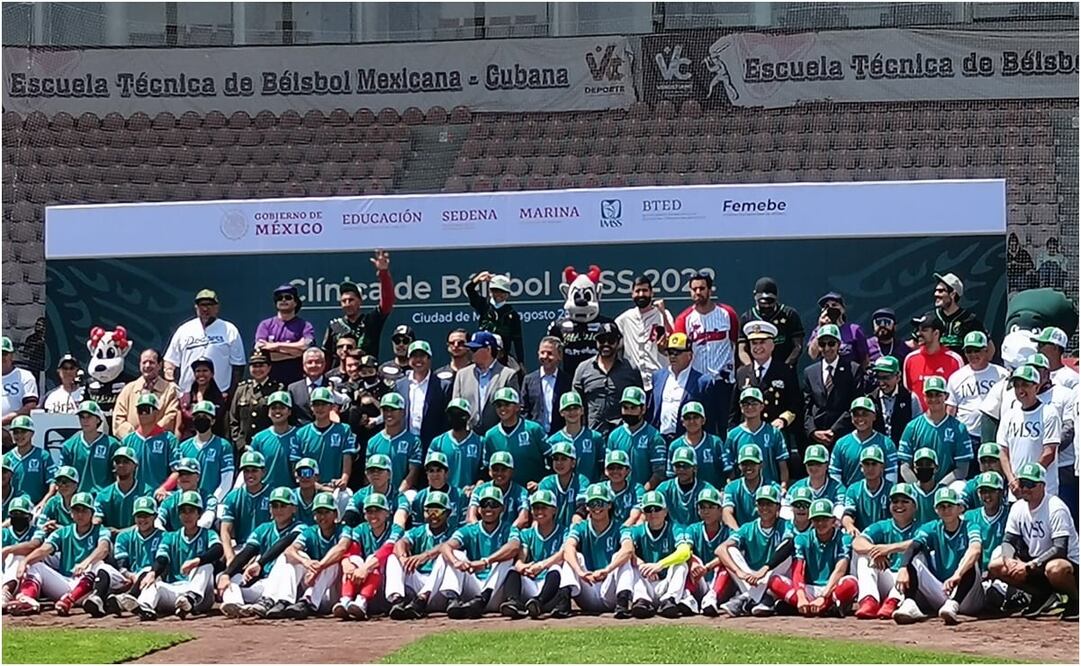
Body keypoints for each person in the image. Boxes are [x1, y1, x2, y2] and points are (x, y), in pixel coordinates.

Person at [4, 492, 122, 617]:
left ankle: (70, 600)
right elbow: (44, 549)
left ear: (92, 513)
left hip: (87, 586)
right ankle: (27, 600)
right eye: (76, 510)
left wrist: (86, 562)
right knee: (35, 566)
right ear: (71, 513)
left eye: (84, 510)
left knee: (98, 564)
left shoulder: (101, 530)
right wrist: (25, 561)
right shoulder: (63, 532)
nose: (80, 514)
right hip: (65, 582)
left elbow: (103, 549)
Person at [990, 462, 1078, 622]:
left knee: (1055, 569)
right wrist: (1009, 560)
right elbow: (1008, 540)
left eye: (1030, 484)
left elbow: (1060, 549)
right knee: (996, 566)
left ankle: (1076, 600)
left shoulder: (1055, 507)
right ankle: (1043, 595)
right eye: (1022, 483)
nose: (1025, 488)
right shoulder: (1018, 508)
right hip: (1037, 563)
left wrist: (1030, 565)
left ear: (1042, 485)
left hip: (1068, 565)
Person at [892, 488, 985, 625]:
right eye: (942, 506)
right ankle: (910, 603)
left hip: (969, 597)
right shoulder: (932, 527)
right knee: (916, 558)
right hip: (943, 592)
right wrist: (903, 567)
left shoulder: (970, 525)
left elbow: (975, 550)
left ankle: (954, 604)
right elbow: (914, 545)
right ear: (936, 510)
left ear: (959, 508)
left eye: (950, 506)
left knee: (971, 561)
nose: (946, 510)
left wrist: (957, 575)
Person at [128, 490, 221, 620]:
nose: (187, 515)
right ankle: (145, 607)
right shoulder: (171, 537)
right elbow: (162, 559)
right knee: (155, 584)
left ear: (199, 514)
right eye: (183, 511)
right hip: (176, 591)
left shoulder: (208, 534)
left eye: (191, 511)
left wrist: (197, 561)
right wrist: (153, 573)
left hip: (202, 596)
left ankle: (191, 598)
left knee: (206, 566)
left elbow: (218, 550)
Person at [217, 486, 303, 618]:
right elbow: (247, 552)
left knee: (287, 558)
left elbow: (283, 544)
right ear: (269, 508)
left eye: (283, 505)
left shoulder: (301, 527)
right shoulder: (263, 528)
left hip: (286, 585)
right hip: (264, 583)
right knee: (227, 579)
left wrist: (260, 563)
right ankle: (236, 606)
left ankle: (268, 603)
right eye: (274, 505)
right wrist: (227, 574)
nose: (278, 510)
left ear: (294, 508)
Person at [673, 273, 739, 437]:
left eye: (702, 288)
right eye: (694, 289)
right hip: (699, 384)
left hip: (724, 382)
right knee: (701, 430)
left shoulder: (727, 313)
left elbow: (736, 344)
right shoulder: (684, 319)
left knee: (727, 430)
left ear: (710, 290)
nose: (698, 292)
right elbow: (679, 353)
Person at [439, 485, 519, 619]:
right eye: (484, 504)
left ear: (502, 508)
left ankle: (482, 599)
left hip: (495, 592)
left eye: (493, 504)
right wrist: (456, 562)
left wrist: (486, 561)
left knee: (507, 558)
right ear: (479, 509)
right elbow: (446, 546)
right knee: (456, 554)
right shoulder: (471, 529)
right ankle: (452, 600)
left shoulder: (509, 528)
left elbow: (514, 546)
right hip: (473, 587)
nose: (488, 508)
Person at [770, 499, 858, 618]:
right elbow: (798, 570)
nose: (820, 523)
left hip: (831, 589)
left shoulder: (844, 538)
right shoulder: (802, 539)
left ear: (833, 520)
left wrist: (823, 597)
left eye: (824, 519)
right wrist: (801, 597)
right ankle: (816, 607)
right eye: (817, 519)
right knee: (774, 581)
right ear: (811, 521)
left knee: (851, 583)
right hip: (809, 588)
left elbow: (840, 570)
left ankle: (811, 607)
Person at [559, 483, 636, 617]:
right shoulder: (580, 527)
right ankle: (563, 603)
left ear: (609, 504)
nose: (596, 508)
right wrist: (581, 572)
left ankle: (622, 603)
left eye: (600, 503)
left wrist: (607, 570)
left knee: (621, 557)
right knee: (574, 556)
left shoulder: (620, 527)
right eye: (592, 504)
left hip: (609, 590)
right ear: (587, 507)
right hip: (588, 585)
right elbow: (568, 547)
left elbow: (628, 549)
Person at [714, 484, 792, 616]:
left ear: (778, 507)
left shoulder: (786, 524)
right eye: (761, 504)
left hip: (773, 574)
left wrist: (764, 570)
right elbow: (720, 549)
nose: (765, 508)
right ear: (756, 506)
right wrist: (739, 573)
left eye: (769, 504)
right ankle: (762, 599)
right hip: (751, 577)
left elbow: (789, 545)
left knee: (787, 553)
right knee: (731, 550)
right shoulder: (748, 527)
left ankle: (746, 598)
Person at [618, 490, 694, 618]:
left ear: (665, 511)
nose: (653, 514)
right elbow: (625, 549)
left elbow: (685, 552)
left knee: (681, 564)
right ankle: (641, 601)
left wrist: (659, 565)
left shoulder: (675, 528)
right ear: (643, 513)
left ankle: (669, 601)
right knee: (628, 562)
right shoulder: (637, 530)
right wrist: (639, 561)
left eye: (657, 509)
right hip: (646, 582)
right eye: (648, 510)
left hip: (666, 584)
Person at [851, 482, 920, 620]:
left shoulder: (921, 527)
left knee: (919, 558)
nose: (899, 505)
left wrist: (887, 548)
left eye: (904, 501)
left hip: (909, 583)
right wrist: (875, 551)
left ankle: (893, 602)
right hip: (886, 576)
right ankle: (869, 600)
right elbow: (857, 542)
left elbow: (917, 544)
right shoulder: (883, 525)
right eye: (895, 501)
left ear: (914, 506)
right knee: (864, 557)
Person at [499, 490, 570, 618]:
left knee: (556, 568)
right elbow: (522, 556)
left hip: (551, 587)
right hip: (532, 580)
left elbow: (563, 553)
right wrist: (521, 566)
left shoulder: (564, 531)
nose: (539, 511)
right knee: (513, 570)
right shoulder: (527, 533)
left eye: (544, 507)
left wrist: (541, 565)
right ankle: (513, 602)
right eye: (536, 508)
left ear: (554, 510)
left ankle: (539, 602)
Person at [386, 490, 455, 620]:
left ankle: (422, 599)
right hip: (419, 582)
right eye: (429, 510)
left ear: (448, 513)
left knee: (445, 556)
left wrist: (425, 555)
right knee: (393, 558)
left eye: (438, 510)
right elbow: (400, 542)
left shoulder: (453, 532)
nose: (433, 515)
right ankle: (397, 600)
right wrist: (403, 558)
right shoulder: (419, 531)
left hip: (439, 589)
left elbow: (445, 547)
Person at [730, 320, 801, 443]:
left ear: (772, 345)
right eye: (753, 343)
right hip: (748, 437)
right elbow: (734, 411)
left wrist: (783, 420)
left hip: (775, 435)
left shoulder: (785, 372)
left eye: (762, 342)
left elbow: (796, 404)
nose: (757, 347)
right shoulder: (742, 373)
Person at [996, 364, 1062, 497]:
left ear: (1036, 387)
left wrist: (1027, 480)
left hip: (1043, 490)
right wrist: (1012, 480)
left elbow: (1049, 452)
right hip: (1016, 491)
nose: (1020, 389)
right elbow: (1003, 452)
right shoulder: (1009, 415)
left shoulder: (1049, 413)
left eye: (1025, 384)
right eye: (1017, 385)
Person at [164, 289, 245, 396]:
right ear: (196, 307)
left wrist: (230, 394)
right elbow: (170, 360)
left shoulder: (229, 329)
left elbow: (238, 366)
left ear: (217, 307)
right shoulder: (184, 330)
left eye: (210, 305)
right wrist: (171, 381)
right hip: (187, 394)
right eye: (202, 305)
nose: (205, 308)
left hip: (219, 394)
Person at [898, 377, 972, 489]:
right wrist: (918, 488)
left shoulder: (959, 428)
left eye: (938, 394)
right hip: (918, 487)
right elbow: (904, 467)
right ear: (924, 397)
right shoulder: (912, 427)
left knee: (960, 486)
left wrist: (940, 486)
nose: (933, 398)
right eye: (930, 395)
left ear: (946, 396)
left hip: (947, 486)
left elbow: (962, 469)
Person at [322, 251, 394, 364]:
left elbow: (387, 301)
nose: (347, 304)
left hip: (366, 373)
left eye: (351, 300)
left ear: (360, 301)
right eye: (343, 301)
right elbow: (327, 356)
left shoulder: (371, 320)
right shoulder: (335, 326)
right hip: (340, 377)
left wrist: (383, 272)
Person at [572, 323, 643, 437]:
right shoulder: (583, 369)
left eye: (611, 340)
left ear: (618, 341)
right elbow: (576, 404)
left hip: (623, 434)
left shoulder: (631, 369)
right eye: (601, 340)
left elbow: (641, 403)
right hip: (592, 434)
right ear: (596, 342)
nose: (606, 344)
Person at [291, 387, 357, 502]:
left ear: (332, 406)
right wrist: (313, 484)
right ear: (311, 407)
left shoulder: (344, 430)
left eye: (324, 404)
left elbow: (347, 455)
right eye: (316, 404)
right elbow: (296, 464)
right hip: (308, 489)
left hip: (334, 489)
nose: (320, 408)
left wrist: (344, 478)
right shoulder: (301, 433)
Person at [947, 331, 1008, 452]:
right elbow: (951, 410)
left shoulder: (1002, 374)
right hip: (966, 435)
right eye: (969, 351)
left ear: (986, 350)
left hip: (994, 434)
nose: (973, 354)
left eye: (977, 350)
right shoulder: (956, 377)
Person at [803, 324, 860, 450]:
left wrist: (834, 430)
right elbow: (807, 407)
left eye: (831, 343)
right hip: (816, 439)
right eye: (822, 344)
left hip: (843, 436)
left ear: (839, 345)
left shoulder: (853, 370)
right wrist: (813, 431)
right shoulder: (810, 372)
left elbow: (854, 404)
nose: (827, 348)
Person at [452, 331, 520, 436]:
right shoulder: (462, 375)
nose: (470, 352)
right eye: (470, 348)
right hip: (470, 437)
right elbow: (457, 408)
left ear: (488, 349)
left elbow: (514, 409)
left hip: (498, 437)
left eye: (475, 349)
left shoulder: (507, 375)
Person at [615, 275, 674, 391]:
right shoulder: (625, 318)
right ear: (632, 294)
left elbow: (672, 338)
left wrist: (663, 314)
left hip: (659, 379)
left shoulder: (662, 314)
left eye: (645, 291)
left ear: (652, 293)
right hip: (634, 381)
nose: (641, 294)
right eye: (637, 291)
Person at [482, 387, 548, 489]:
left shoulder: (533, 429)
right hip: (504, 495)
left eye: (507, 404)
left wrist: (542, 483)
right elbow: (487, 468)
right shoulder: (490, 435)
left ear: (517, 407)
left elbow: (550, 459)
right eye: (499, 405)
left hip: (533, 491)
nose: (502, 408)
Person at [648, 333, 709, 442]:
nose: (672, 356)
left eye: (677, 353)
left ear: (690, 355)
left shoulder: (702, 381)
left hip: (687, 440)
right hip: (659, 438)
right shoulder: (658, 376)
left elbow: (710, 417)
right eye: (670, 353)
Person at [604, 387, 666, 490]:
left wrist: (642, 493)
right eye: (625, 407)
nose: (629, 412)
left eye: (633, 408)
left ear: (643, 409)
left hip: (645, 496)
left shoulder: (654, 436)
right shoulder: (614, 436)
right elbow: (608, 470)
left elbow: (659, 473)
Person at [726, 388, 789, 489]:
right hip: (743, 490)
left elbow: (782, 465)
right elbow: (730, 469)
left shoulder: (773, 432)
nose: (750, 407)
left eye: (754, 403)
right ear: (741, 407)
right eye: (745, 404)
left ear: (762, 406)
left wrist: (783, 487)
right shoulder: (733, 435)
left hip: (770, 490)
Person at [252, 284, 314, 386]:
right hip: (270, 382)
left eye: (288, 297)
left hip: (296, 380)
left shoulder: (305, 325)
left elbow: (306, 346)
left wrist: (276, 346)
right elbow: (262, 350)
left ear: (295, 303)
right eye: (279, 298)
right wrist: (295, 353)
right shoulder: (265, 325)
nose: (283, 300)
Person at [830, 397, 899, 487]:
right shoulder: (841, 444)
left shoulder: (887, 444)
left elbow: (891, 476)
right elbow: (835, 475)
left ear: (874, 416)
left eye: (865, 414)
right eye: (856, 414)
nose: (860, 418)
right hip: (849, 498)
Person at [175, 401, 234, 506]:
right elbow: (180, 478)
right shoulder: (183, 447)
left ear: (213, 421)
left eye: (205, 416)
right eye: (197, 416)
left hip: (213, 502)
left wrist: (214, 501)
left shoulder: (223, 446)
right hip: (188, 504)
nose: (201, 419)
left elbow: (227, 478)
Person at [737, 277, 804, 369]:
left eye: (770, 302)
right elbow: (742, 349)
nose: (766, 306)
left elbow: (798, 346)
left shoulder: (789, 315)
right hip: (757, 370)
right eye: (762, 303)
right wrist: (751, 369)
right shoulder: (747, 318)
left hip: (784, 368)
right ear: (755, 296)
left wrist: (785, 367)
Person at [395, 340, 451, 450]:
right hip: (404, 446)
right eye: (414, 356)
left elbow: (446, 421)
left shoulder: (443, 386)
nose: (418, 360)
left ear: (429, 359)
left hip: (432, 446)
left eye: (422, 356)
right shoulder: (400, 385)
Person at [219, 451, 273, 564]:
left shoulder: (272, 495)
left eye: (254, 470)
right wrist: (230, 557)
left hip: (267, 549)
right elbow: (225, 530)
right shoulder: (233, 496)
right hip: (241, 548)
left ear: (263, 472)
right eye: (246, 471)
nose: (250, 475)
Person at [112, 349, 180, 439]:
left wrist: (151, 434)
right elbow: (118, 418)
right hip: (131, 444)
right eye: (144, 362)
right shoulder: (128, 389)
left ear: (159, 365)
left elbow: (171, 416)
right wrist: (135, 437)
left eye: (151, 362)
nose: (147, 366)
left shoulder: (170, 390)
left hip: (158, 443)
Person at [963, 471, 1009, 603]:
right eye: (983, 491)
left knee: (1000, 550)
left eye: (991, 491)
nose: (987, 496)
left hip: (1002, 573)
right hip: (977, 574)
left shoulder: (1009, 513)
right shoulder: (969, 516)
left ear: (1000, 492)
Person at [903, 313, 964, 411]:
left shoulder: (955, 360)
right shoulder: (910, 359)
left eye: (924, 330)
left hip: (946, 421)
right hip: (918, 422)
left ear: (936, 333)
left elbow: (960, 395)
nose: (918, 333)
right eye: (918, 329)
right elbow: (908, 394)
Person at [228, 350, 285, 454]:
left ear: (269, 367)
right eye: (254, 366)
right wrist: (240, 443)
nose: (257, 369)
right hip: (243, 448)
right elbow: (233, 419)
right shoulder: (242, 389)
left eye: (261, 365)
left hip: (268, 446)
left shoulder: (277, 389)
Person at [121, 395, 180, 494]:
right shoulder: (128, 440)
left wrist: (164, 488)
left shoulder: (169, 439)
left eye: (147, 410)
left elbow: (178, 471)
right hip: (133, 496)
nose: (143, 413)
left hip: (157, 496)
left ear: (156, 413)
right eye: (140, 410)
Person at [466, 272, 525, 367]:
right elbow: (469, 290)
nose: (499, 294)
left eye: (502, 291)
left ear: (508, 294)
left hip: (502, 358)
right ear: (490, 291)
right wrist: (477, 280)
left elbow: (518, 340)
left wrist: (521, 361)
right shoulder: (484, 305)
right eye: (495, 291)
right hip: (483, 352)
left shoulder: (512, 314)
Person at [60, 401, 120, 494]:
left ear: (98, 419)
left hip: (104, 498)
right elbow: (63, 476)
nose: (85, 420)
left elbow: (118, 475)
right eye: (82, 417)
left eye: (89, 416)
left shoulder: (112, 444)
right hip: (78, 499)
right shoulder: (69, 445)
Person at [366, 393, 422, 492]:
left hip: (403, 492)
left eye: (393, 409)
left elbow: (413, 474)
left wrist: (397, 495)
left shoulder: (413, 441)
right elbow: (368, 474)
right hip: (378, 493)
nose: (389, 413)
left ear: (403, 412)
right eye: (385, 410)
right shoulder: (373, 441)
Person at [92, 447, 154, 536]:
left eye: (126, 462)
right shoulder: (103, 494)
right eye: (118, 462)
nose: (121, 465)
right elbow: (97, 519)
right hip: (109, 539)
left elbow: (148, 523)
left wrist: (120, 532)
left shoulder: (146, 492)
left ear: (135, 465)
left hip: (138, 538)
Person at [427, 398, 485, 492]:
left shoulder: (480, 442)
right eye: (451, 414)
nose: (455, 418)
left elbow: (484, 472)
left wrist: (476, 487)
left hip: (470, 495)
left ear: (467, 416)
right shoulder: (438, 442)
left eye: (459, 414)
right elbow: (431, 474)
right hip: (443, 496)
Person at [545, 391, 605, 483]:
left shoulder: (595, 438)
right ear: (561, 412)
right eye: (568, 409)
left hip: (590, 491)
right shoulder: (553, 440)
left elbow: (602, 467)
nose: (572, 412)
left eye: (575, 408)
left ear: (582, 410)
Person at [244, 391, 298, 492]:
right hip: (265, 495)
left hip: (292, 494)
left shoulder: (299, 436)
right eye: (273, 408)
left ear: (289, 411)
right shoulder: (259, 438)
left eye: (282, 407)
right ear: (268, 412)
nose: (277, 411)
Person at [668, 401, 728, 489]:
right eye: (687, 418)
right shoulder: (675, 446)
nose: (692, 421)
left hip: (712, 498)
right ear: (682, 422)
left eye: (696, 417)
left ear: (703, 420)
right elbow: (671, 476)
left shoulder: (715, 443)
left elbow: (727, 471)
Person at [521, 337, 572, 437]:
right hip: (534, 436)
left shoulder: (567, 381)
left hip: (560, 435)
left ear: (559, 356)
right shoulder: (528, 380)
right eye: (542, 352)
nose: (545, 356)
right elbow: (524, 409)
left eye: (550, 353)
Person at [656, 447, 718, 526]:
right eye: (678, 466)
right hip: (671, 534)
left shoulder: (706, 489)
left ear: (694, 468)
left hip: (698, 534)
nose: (681, 469)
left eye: (685, 466)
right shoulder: (664, 489)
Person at [468, 452, 530, 532]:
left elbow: (524, 518)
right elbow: (470, 517)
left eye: (503, 470)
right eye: (495, 469)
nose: (499, 473)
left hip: (511, 536)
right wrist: (480, 534)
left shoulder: (521, 492)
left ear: (511, 471)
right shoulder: (479, 490)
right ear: (490, 471)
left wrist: (509, 533)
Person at [721, 444, 779, 530]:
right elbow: (726, 513)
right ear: (739, 466)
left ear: (761, 464)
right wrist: (739, 534)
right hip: (739, 535)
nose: (748, 467)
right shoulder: (732, 487)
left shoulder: (773, 487)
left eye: (752, 463)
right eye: (745, 464)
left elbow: (779, 513)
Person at [806, 292, 869, 370]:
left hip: (850, 374)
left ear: (842, 309)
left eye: (834, 305)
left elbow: (864, 358)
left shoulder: (854, 330)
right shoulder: (818, 331)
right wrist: (821, 326)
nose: (830, 308)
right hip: (828, 374)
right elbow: (813, 355)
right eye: (826, 306)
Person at [407, 452, 468, 531]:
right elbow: (417, 527)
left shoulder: (459, 495)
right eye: (431, 471)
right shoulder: (420, 497)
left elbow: (463, 526)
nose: (435, 474)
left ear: (446, 473)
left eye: (439, 470)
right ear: (427, 474)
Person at [931, 273, 989, 356]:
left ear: (953, 294)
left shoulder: (970, 320)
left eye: (941, 291)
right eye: (936, 290)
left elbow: (989, 349)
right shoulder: (930, 318)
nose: (936, 294)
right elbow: (915, 345)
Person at [3, 416, 56, 507]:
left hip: (36, 506)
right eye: (16, 432)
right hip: (11, 508)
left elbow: (53, 482)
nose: (19, 436)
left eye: (23, 432)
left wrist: (43, 502)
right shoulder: (6, 458)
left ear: (32, 433)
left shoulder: (43, 456)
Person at [866, 356, 921, 443]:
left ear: (898, 376)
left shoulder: (910, 398)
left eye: (886, 378)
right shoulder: (871, 399)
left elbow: (918, 427)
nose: (881, 383)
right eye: (878, 377)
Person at [155, 458, 218, 532]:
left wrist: (189, 534)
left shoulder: (208, 499)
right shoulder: (170, 500)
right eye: (181, 474)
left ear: (198, 477)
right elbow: (157, 522)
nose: (184, 477)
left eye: (189, 473)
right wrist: (168, 537)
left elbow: (207, 521)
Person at [841, 446, 892, 535]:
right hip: (861, 536)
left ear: (882, 467)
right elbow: (848, 514)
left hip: (886, 537)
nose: (870, 468)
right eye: (866, 464)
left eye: (874, 464)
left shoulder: (891, 489)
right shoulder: (853, 490)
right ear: (861, 467)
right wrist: (850, 527)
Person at [537, 443, 589, 529]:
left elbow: (581, 508)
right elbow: (541, 512)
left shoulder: (581, 480)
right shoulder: (546, 483)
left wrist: (574, 531)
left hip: (575, 529)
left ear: (573, 463)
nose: (559, 463)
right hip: (551, 530)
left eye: (564, 459)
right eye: (556, 459)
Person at [177, 358, 228, 440]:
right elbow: (179, 427)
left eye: (205, 370)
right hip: (188, 444)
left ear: (212, 374)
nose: (201, 374)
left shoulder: (221, 399)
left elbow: (224, 427)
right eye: (198, 371)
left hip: (213, 444)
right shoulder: (184, 399)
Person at [786, 445, 845, 512]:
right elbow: (787, 514)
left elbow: (839, 514)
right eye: (810, 463)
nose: (814, 467)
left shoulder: (838, 489)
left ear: (827, 464)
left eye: (818, 463)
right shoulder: (795, 488)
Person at [1, 336, 38, 427]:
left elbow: (30, 407)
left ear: (11, 356)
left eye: (4, 353)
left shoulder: (25, 376)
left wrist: (2, 421)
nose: (1, 357)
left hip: (18, 430)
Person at [286, 348, 329, 426]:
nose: (314, 365)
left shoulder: (332, 386)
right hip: (301, 434)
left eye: (317, 362)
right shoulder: (293, 389)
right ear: (303, 365)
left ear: (324, 364)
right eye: (309, 362)